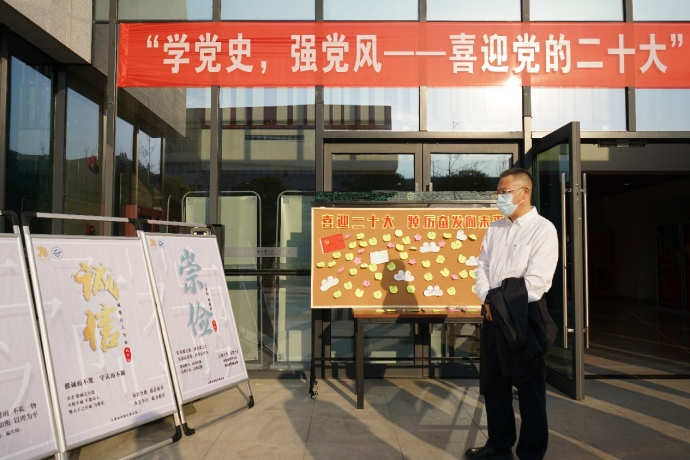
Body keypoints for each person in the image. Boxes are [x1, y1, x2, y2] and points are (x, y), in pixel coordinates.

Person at [465, 168, 559, 460]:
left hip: (524, 316)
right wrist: (487, 299)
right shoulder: (495, 228)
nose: (500, 198)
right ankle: (499, 442)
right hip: (492, 315)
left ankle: (531, 452)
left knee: (530, 388)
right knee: (494, 383)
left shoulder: (543, 230)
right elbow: (482, 266)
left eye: (504, 192)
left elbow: (538, 282)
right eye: (498, 193)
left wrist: (498, 302)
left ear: (524, 192)